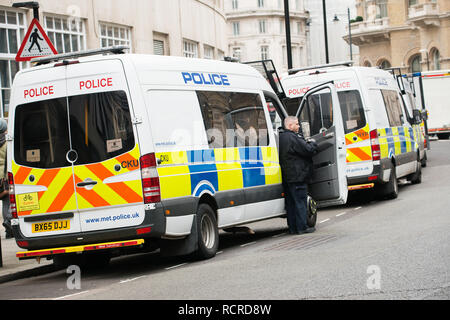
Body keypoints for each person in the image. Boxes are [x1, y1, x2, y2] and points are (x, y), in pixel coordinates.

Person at [279, 116, 318, 235]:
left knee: (290, 204)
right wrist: (313, 143)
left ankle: (293, 228)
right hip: (298, 176)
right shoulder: (292, 137)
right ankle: (302, 227)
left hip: (287, 176)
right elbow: (307, 149)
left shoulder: (281, 137)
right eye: (296, 124)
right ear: (290, 126)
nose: (299, 126)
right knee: (300, 202)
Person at [0, 118, 12, 239]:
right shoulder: (6, 142)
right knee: (8, 200)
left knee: (4, 199)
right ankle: (9, 223)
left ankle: (8, 228)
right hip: (5, 177)